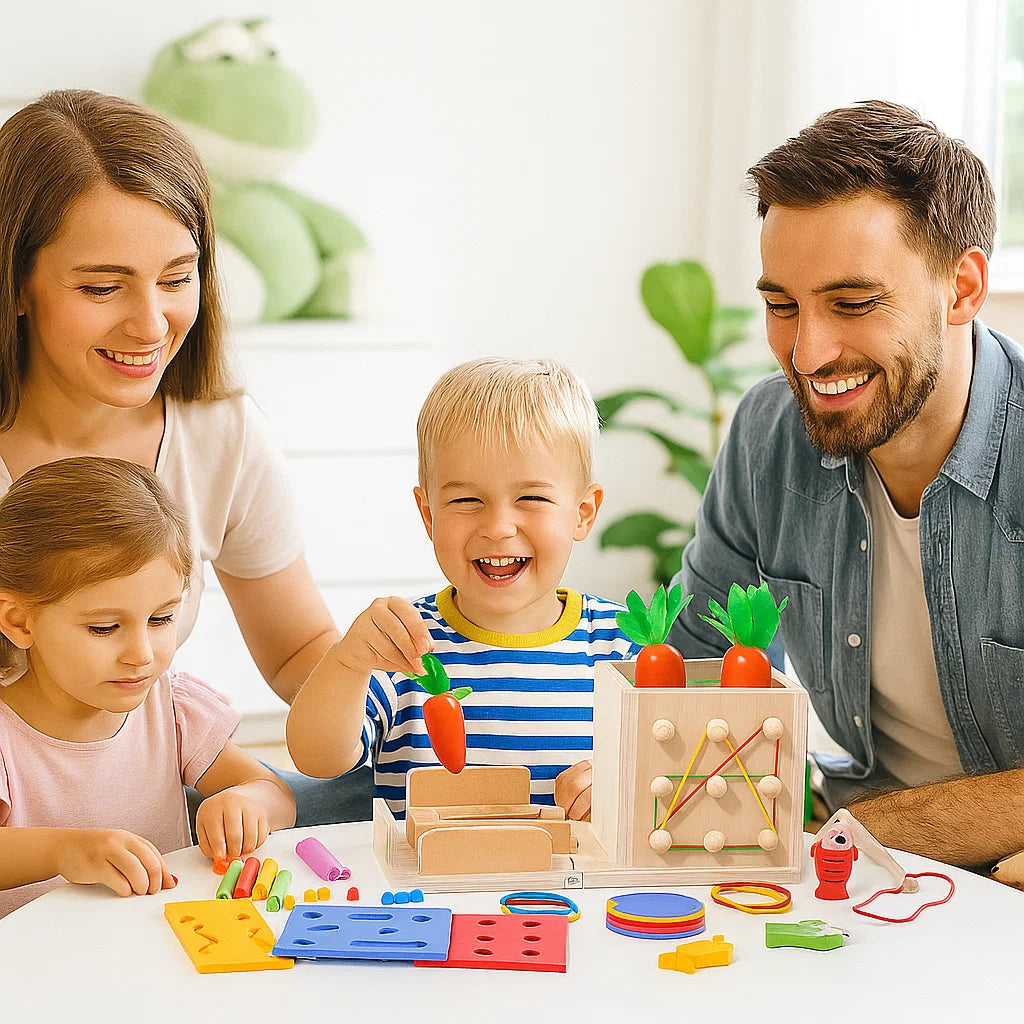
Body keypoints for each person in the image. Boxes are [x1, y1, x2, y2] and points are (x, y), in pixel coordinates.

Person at [668, 99, 1024, 868]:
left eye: (853, 304)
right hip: (856, 875)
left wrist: (862, 834)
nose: (807, 354)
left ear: (962, 289)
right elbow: (688, 694)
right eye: (780, 306)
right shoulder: (769, 433)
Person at [0, 88, 369, 823]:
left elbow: (300, 652)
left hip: (139, 800)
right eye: (103, 287)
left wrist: (390, 683)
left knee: (369, 798)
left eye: (176, 279)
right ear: (16, 284)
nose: (150, 324)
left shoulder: (219, 431)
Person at [286, 357, 641, 816]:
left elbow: (673, 782)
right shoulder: (404, 645)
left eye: (531, 498)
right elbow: (318, 761)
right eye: (467, 500)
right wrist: (348, 662)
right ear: (428, 514)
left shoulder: (624, 644)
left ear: (583, 512)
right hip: (423, 889)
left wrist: (623, 787)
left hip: (580, 888)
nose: (498, 527)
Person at [0, 457, 296, 918]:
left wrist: (246, 802)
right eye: (104, 627)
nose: (141, 653)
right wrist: (62, 850)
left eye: (161, 619)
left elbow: (274, 792)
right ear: (19, 621)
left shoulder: (169, 706)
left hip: (162, 953)